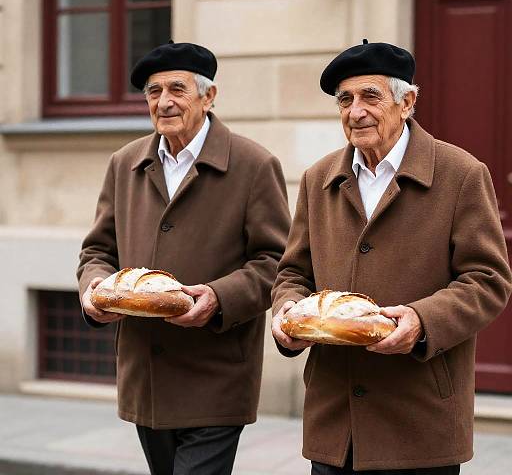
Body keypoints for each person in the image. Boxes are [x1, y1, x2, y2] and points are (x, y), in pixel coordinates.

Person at [271, 39, 512, 475]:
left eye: (370, 96)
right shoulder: (317, 178)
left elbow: (488, 280)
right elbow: (292, 271)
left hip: (419, 420)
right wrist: (286, 309)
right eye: (345, 99)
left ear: (408, 102)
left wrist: (422, 321)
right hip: (335, 423)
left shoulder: (461, 174)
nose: (355, 111)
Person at [77, 40, 291, 475]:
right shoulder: (125, 163)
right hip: (146, 373)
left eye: (177, 89)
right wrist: (93, 288)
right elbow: (97, 250)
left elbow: (276, 263)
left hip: (216, 373)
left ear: (208, 96)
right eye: (154, 92)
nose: (164, 102)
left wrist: (217, 297)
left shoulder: (253, 165)